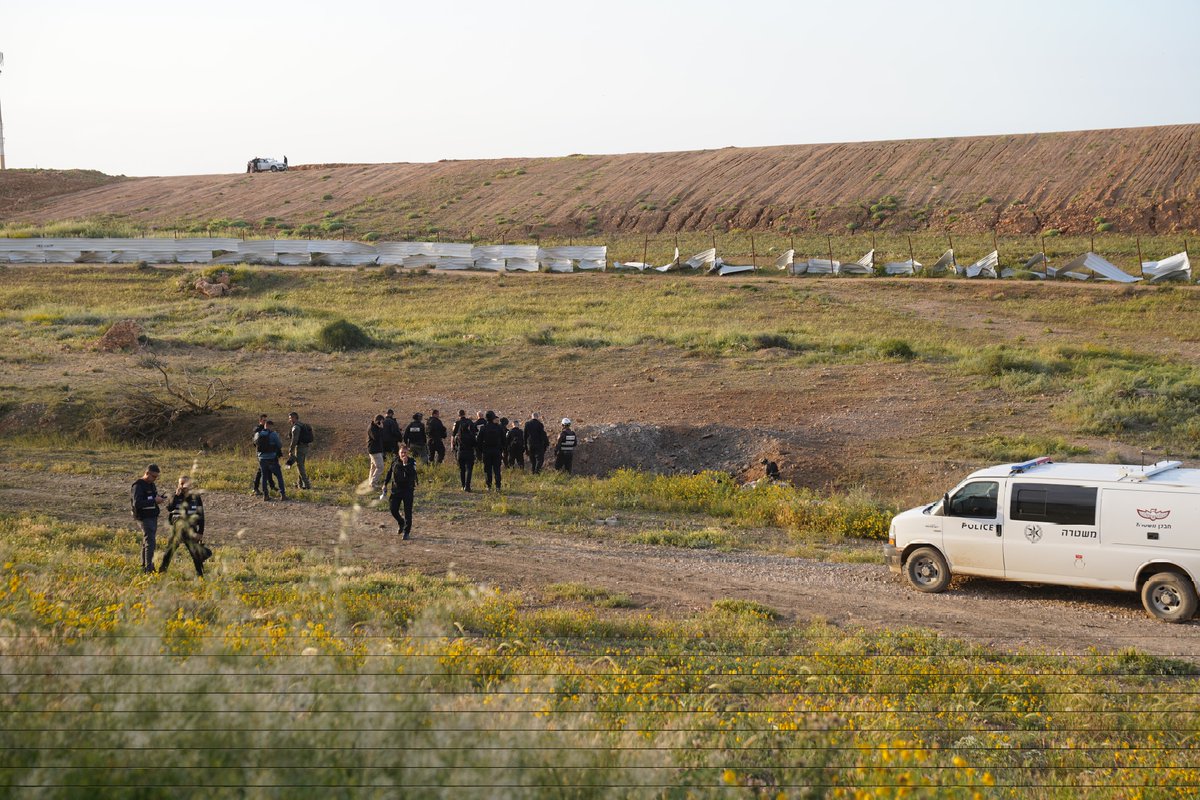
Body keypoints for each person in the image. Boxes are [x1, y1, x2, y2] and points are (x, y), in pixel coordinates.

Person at [160, 475, 211, 576]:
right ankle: (161, 572)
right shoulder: (176, 495)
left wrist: (200, 532)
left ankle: (200, 575)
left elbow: (201, 515)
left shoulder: (195, 497)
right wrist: (176, 496)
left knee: (194, 553)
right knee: (169, 552)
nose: (183, 486)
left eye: (185, 483)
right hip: (177, 529)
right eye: (181, 483)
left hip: (191, 529)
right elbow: (169, 508)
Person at [131, 464, 166, 573]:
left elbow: (152, 497)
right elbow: (137, 503)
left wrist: (160, 498)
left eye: (156, 477)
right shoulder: (138, 485)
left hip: (152, 516)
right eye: (154, 476)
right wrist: (154, 501)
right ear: (147, 473)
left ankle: (144, 565)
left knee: (147, 541)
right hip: (143, 517)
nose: (155, 479)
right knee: (150, 542)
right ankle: (149, 568)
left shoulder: (151, 484)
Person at [383, 444, 418, 538]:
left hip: (407, 489)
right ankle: (401, 522)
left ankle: (407, 532)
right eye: (401, 452)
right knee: (393, 509)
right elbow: (389, 472)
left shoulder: (412, 462)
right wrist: (385, 484)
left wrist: (405, 464)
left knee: (408, 511)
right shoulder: (395, 461)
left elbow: (412, 474)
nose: (403, 454)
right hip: (396, 489)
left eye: (405, 452)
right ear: (399, 453)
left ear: (408, 453)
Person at [255, 420, 287, 501]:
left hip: (262, 459)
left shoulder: (258, 434)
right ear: (270, 426)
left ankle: (265, 495)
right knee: (279, 476)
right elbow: (279, 445)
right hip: (272, 458)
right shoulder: (274, 434)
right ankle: (282, 495)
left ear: (265, 425)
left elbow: (255, 444)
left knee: (264, 477)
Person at [476, 410, 506, 491]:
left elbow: (479, 441)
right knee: (497, 469)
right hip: (497, 451)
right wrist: (502, 450)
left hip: (486, 451)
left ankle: (488, 486)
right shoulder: (499, 427)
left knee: (487, 469)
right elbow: (504, 440)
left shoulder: (483, 428)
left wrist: (480, 451)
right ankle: (498, 487)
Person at [251, 414, 279, 497]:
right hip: (261, 454)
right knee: (261, 471)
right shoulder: (258, 429)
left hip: (267, 453)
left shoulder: (266, 429)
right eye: (263, 420)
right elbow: (255, 441)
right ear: (260, 421)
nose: (265, 422)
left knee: (268, 469)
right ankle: (255, 487)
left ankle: (272, 486)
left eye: (265, 420)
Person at [287, 411, 313, 490]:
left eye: (290, 418)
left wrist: (290, 450)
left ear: (295, 418)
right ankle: (300, 484)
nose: (289, 420)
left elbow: (294, 440)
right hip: (305, 447)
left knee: (300, 466)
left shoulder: (296, 427)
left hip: (300, 448)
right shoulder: (302, 425)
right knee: (300, 464)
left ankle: (307, 484)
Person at [455, 416, 477, 492]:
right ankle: (467, 486)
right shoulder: (471, 435)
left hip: (460, 453)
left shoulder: (458, 436)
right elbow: (475, 444)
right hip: (469, 453)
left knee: (462, 470)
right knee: (469, 470)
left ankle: (463, 485)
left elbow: (455, 445)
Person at [367, 414, 387, 490]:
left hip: (375, 449)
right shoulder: (372, 428)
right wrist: (381, 428)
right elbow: (376, 437)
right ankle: (373, 483)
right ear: (378, 421)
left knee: (373, 467)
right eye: (381, 422)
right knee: (380, 467)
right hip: (374, 450)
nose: (382, 423)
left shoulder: (374, 427)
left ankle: (371, 483)